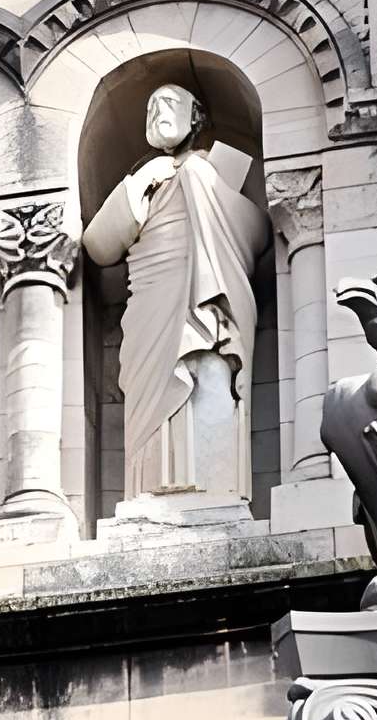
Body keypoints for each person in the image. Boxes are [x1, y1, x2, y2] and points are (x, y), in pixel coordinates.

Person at [79, 84, 271, 508]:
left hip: (206, 294)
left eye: (168, 104)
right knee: (152, 396)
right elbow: (98, 247)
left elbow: (260, 234)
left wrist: (202, 184)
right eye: (150, 106)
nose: (156, 112)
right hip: (150, 302)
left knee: (208, 372)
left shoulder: (216, 171)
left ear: (195, 117)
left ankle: (214, 492)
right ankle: (151, 495)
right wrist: (141, 182)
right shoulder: (144, 178)